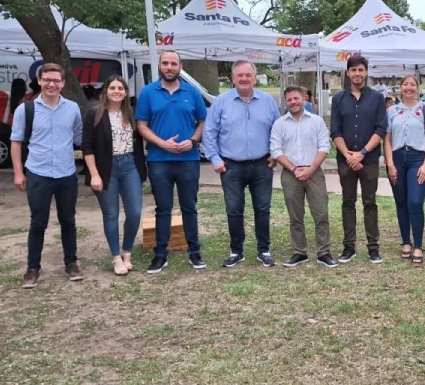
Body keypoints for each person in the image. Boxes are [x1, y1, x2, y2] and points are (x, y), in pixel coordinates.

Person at [10, 63, 84, 288]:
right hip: (38, 173)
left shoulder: (73, 108)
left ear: (63, 83)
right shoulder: (26, 109)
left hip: (66, 174)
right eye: (47, 80)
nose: (52, 84)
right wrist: (18, 173)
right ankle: (33, 269)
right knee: (38, 223)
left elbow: (80, 137)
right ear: (40, 81)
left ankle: (71, 263)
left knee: (68, 221)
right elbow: (16, 141)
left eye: (56, 80)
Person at [203, 60, 280, 267]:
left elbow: (278, 130)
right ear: (233, 78)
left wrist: (275, 154)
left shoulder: (268, 101)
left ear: (254, 78)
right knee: (234, 209)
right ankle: (236, 251)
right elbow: (209, 132)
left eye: (248, 75)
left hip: (262, 164)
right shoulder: (221, 101)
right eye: (240, 75)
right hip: (231, 165)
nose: (244, 79)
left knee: (262, 209)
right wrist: (215, 158)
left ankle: (264, 250)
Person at [136, 51, 207, 274]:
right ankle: (160, 255)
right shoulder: (148, 93)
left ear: (180, 66)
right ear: (159, 65)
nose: (169, 67)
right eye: (165, 63)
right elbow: (141, 125)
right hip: (159, 160)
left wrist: (194, 139)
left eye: (173, 64)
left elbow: (203, 120)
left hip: (188, 159)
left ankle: (194, 252)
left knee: (189, 207)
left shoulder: (192, 92)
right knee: (163, 208)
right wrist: (161, 143)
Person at [82, 76, 147, 275]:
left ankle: (127, 252)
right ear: (106, 91)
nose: (116, 91)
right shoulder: (94, 114)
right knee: (111, 214)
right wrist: (94, 174)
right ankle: (116, 257)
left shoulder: (131, 114)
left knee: (134, 212)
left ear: (126, 92)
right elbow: (87, 147)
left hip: (129, 166)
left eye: (120, 88)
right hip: (105, 168)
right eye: (112, 88)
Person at [270, 86, 337, 268]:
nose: (293, 102)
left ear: (304, 99)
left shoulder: (316, 122)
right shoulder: (280, 124)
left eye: (296, 98)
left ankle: (324, 252)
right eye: (289, 99)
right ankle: (299, 252)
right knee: (295, 216)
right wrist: (293, 168)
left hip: (314, 173)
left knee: (321, 213)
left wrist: (311, 168)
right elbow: (276, 150)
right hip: (290, 174)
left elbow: (324, 147)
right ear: (286, 102)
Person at [330, 55, 388, 264]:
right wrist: (348, 155)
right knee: (348, 202)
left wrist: (362, 153)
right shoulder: (338, 99)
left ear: (366, 72)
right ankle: (349, 247)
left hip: (369, 159)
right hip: (345, 160)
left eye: (360, 70)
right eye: (353, 70)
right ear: (348, 73)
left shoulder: (377, 98)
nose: (357, 74)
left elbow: (381, 129)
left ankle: (373, 247)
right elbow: (335, 130)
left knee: (370, 202)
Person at [384, 75, 425, 266]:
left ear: (418, 88)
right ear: (400, 88)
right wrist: (390, 164)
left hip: (418, 158)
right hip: (397, 158)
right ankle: (406, 242)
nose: (409, 87)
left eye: (412, 84)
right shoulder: (392, 111)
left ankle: (418, 245)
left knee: (415, 201)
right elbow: (387, 139)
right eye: (405, 84)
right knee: (401, 202)